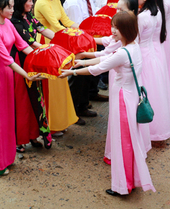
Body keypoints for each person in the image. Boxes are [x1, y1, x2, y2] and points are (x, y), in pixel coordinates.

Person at [60, 12, 156, 197]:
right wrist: (80, 63)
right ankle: (130, 181)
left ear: (125, 30)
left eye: (116, 28)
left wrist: (73, 72)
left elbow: (99, 68)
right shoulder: (133, 47)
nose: (112, 31)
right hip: (130, 96)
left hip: (122, 99)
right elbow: (105, 58)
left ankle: (122, 185)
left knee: (122, 144)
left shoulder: (123, 52)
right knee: (128, 141)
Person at [0, 0, 40, 176]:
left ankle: (7, 158)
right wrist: (27, 75)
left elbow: (22, 44)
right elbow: (7, 59)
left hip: (7, 75)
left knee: (8, 118)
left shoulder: (7, 23)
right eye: (9, 7)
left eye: (13, 6)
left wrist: (43, 58)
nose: (13, 10)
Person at [33, 0, 80, 133]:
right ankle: (52, 125)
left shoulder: (57, 0)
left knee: (60, 84)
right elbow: (56, 25)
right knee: (52, 87)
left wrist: (81, 30)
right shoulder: (42, 3)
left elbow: (65, 21)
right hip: (47, 44)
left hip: (57, 42)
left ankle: (62, 122)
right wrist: (73, 37)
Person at [11, 0, 56, 151]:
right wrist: (51, 52)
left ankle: (34, 135)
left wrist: (63, 39)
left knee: (38, 101)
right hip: (22, 66)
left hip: (35, 62)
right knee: (24, 104)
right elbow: (30, 43)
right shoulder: (14, 23)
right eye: (29, 1)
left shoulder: (28, 16)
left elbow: (43, 30)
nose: (32, 3)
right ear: (21, 2)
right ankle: (20, 140)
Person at [134, 0, 170, 141]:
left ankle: (148, 130)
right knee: (157, 90)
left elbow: (135, 39)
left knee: (146, 91)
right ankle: (160, 127)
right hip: (153, 54)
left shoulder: (142, 17)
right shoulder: (157, 12)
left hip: (143, 55)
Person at [62, 0, 99, 119]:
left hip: (88, 41)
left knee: (85, 78)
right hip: (79, 45)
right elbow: (76, 30)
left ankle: (83, 104)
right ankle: (75, 110)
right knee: (78, 80)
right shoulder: (73, 2)